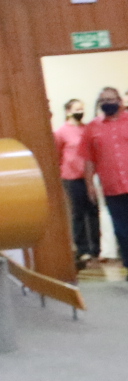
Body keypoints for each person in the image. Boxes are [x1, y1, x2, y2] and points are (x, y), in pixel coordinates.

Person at [81, 86, 128, 263]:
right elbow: (88, 160)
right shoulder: (92, 127)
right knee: (122, 230)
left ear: (119, 101)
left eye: (111, 99)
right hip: (112, 187)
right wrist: (89, 185)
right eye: (103, 100)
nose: (107, 103)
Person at [56, 98, 101, 265]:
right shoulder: (61, 132)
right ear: (68, 111)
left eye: (82, 109)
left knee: (93, 212)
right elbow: (57, 154)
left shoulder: (87, 129)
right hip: (71, 178)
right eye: (76, 109)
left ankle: (96, 248)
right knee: (78, 213)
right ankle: (82, 250)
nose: (80, 112)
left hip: (89, 176)